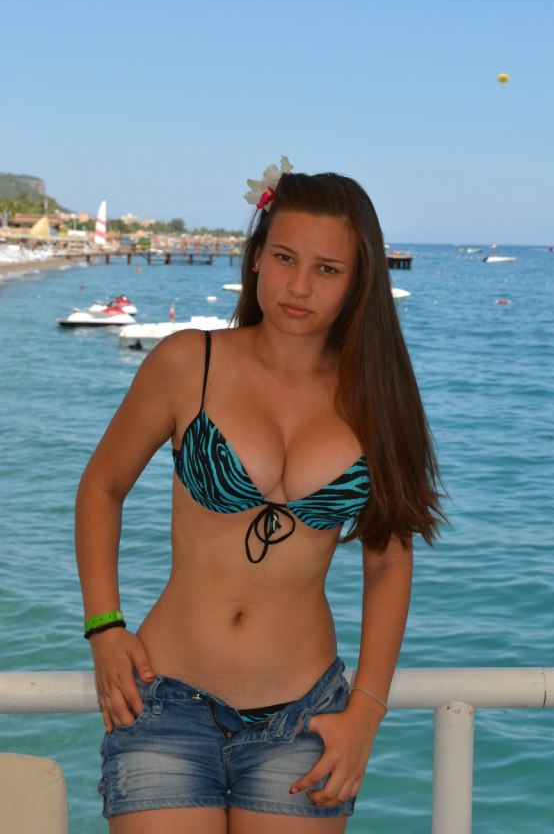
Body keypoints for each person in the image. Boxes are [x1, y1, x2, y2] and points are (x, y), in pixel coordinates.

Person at [75, 160, 443, 833]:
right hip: (165, 698)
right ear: (255, 258)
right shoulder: (187, 363)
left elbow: (389, 559)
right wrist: (104, 626)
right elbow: (103, 485)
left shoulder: (378, 399)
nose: (299, 286)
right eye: (284, 258)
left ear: (357, 283)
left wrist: (366, 709)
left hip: (305, 718)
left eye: (327, 269)